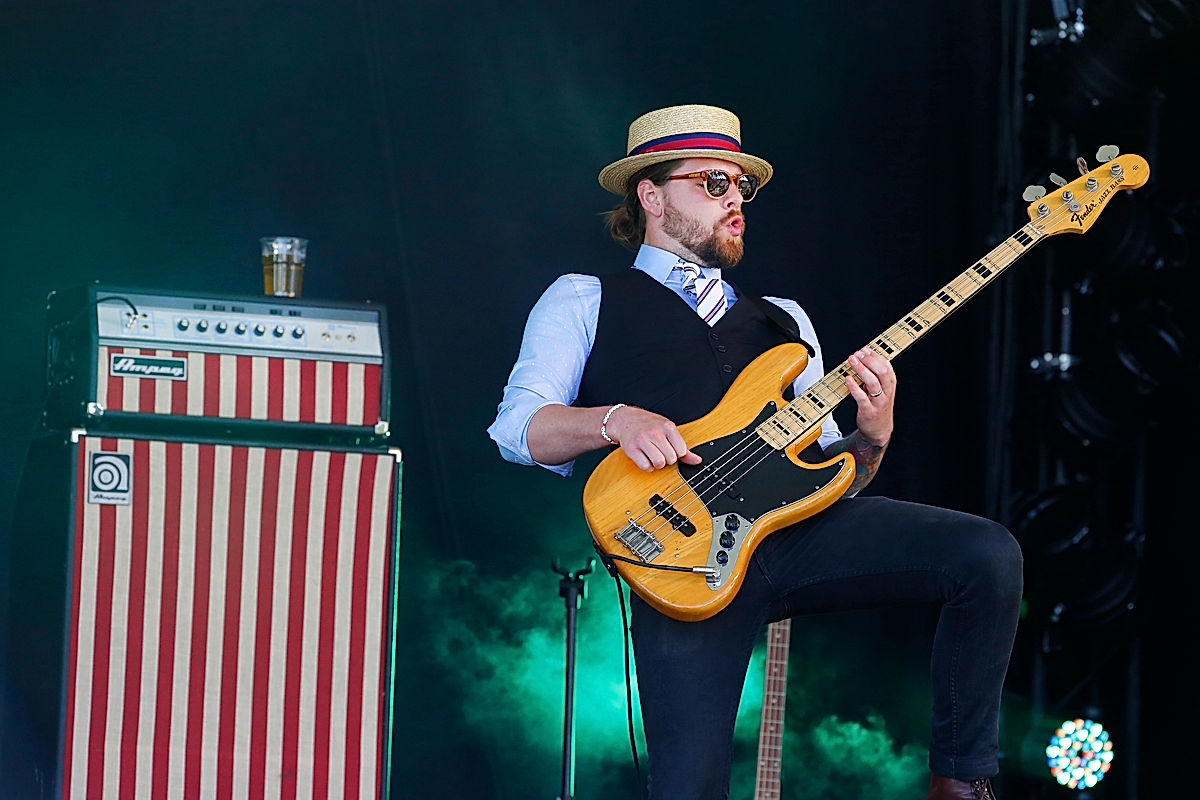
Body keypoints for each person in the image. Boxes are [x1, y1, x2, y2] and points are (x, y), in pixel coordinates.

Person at [488, 104, 1022, 800]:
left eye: (741, 186)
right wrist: (614, 419)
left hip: (794, 541)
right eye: (713, 183)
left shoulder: (785, 322)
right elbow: (518, 430)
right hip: (680, 560)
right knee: (689, 789)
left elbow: (839, 478)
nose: (735, 199)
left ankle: (959, 779)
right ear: (652, 195)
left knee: (987, 556)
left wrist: (875, 433)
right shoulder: (583, 300)